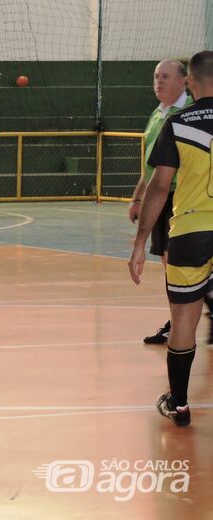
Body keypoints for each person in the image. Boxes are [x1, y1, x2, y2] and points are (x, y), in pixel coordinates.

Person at [128, 50, 213, 428]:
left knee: (184, 316)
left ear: (191, 82)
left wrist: (139, 243)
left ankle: (178, 403)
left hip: (191, 232)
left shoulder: (178, 123)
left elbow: (160, 187)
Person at [127, 59, 204, 345]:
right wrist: (138, 197)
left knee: (181, 264)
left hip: (183, 198)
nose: (158, 81)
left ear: (184, 81)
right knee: (170, 264)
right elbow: (152, 166)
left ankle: (184, 322)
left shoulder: (188, 114)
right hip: (159, 198)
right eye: (156, 76)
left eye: (166, 76)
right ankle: (177, 321)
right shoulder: (157, 115)